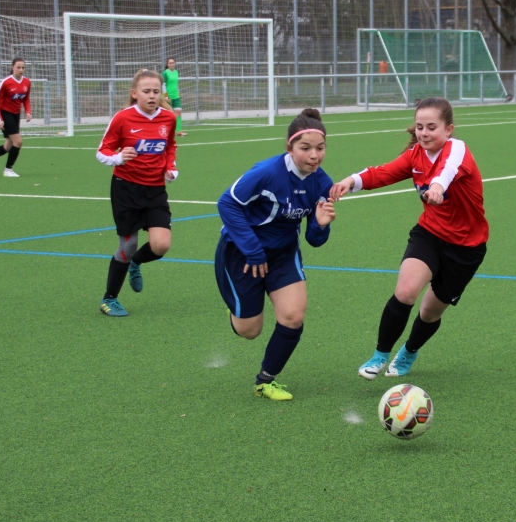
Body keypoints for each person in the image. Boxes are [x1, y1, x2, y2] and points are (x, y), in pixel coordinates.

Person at [329, 97, 489, 380]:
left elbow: (447, 170)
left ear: (448, 129)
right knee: (405, 292)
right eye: (419, 127)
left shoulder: (457, 149)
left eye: (431, 127)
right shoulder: (415, 155)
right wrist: (351, 181)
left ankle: (409, 352)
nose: (424, 133)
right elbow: (383, 173)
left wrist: (437, 187)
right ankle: (380, 355)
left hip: (466, 248)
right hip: (429, 234)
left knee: (429, 312)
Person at [216, 109, 337, 401]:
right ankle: (239, 311)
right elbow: (227, 203)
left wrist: (321, 225)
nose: (314, 155)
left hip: (283, 253)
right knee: (249, 331)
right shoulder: (267, 173)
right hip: (242, 253)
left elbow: (313, 240)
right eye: (305, 148)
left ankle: (265, 381)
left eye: (320, 148)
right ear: (289, 147)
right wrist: (254, 251)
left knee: (293, 316)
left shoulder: (323, 183)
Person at [96, 69, 179, 317]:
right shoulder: (122, 118)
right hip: (126, 189)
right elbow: (102, 151)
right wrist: (119, 157)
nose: (152, 96)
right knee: (128, 245)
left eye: (156, 91)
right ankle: (109, 299)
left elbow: (170, 146)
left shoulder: (168, 118)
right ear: (135, 93)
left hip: (155, 190)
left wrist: (171, 166)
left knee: (161, 245)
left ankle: (136, 263)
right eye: (146, 91)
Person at [162, 57, 186, 137]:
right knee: (168, 114)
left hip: (175, 96)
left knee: (178, 112)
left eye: (173, 63)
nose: (172, 64)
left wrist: (178, 93)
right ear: (167, 64)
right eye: (170, 63)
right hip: (168, 96)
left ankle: (178, 131)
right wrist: (165, 96)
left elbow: (176, 84)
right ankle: (167, 131)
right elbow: (163, 85)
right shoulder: (165, 73)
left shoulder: (176, 72)